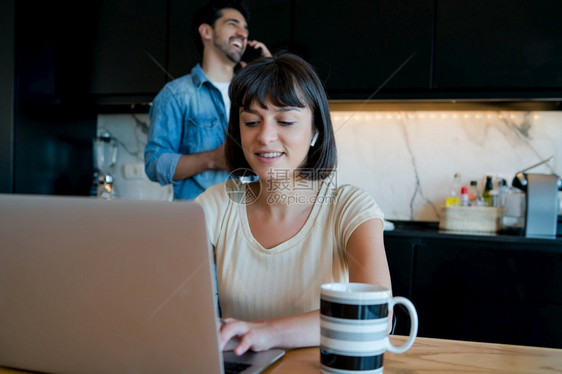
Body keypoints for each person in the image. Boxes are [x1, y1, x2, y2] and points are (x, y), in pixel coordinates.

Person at [194, 53, 392, 355]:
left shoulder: (350, 208)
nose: (265, 136)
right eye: (250, 121)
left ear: (315, 131)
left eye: (285, 121)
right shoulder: (217, 205)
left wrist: (267, 332)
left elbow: (378, 315)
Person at [145, 0, 271, 200]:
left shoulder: (255, 93)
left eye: (245, 28)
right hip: (198, 219)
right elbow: (155, 164)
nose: (243, 33)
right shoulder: (176, 94)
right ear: (206, 32)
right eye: (233, 24)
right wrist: (212, 159)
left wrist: (267, 72)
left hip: (252, 219)